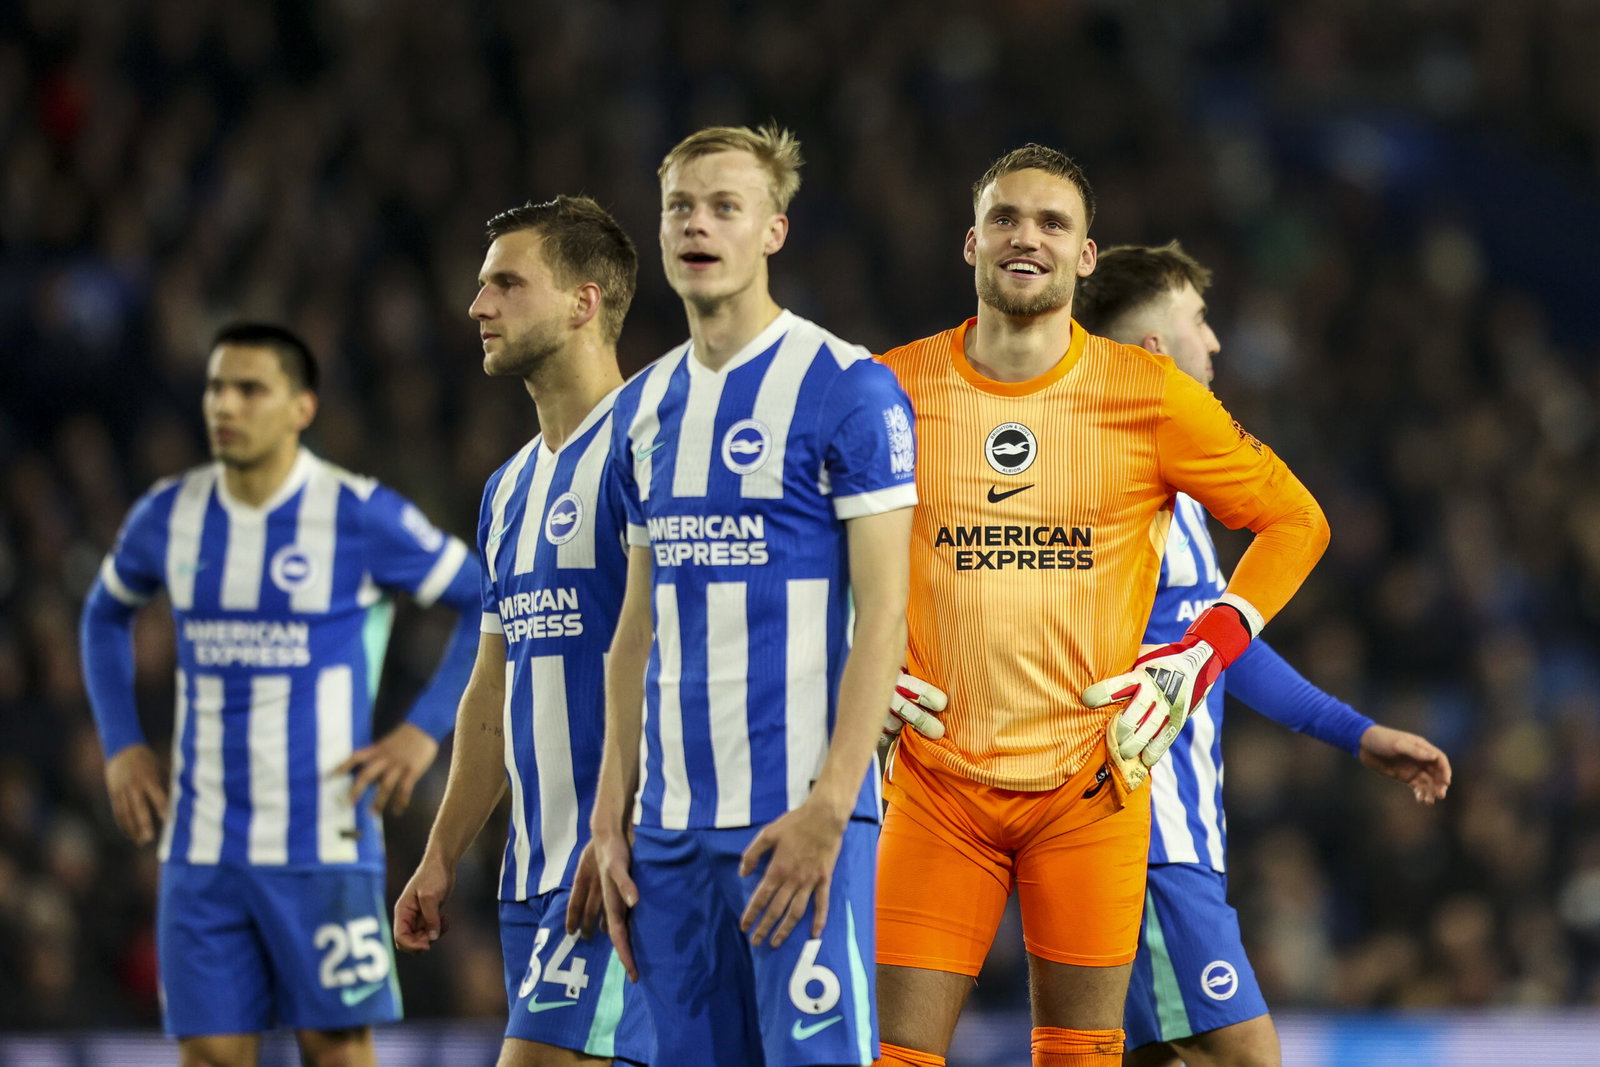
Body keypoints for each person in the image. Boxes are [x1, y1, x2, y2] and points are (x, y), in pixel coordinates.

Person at [872, 144, 1330, 1067]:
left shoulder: (1150, 398)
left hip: (1092, 783)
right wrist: (848, 664)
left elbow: (1296, 519)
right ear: (970, 243)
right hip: (935, 782)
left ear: (1086, 257)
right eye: (1005, 218)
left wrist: (1201, 652)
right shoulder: (885, 388)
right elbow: (802, 544)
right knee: (895, 1058)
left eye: (1052, 223)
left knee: (1083, 1056)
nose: (1025, 237)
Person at [579, 124, 917, 1066]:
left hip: (797, 820)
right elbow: (634, 630)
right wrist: (610, 820)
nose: (699, 224)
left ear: (773, 229)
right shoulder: (642, 408)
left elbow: (885, 618)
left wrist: (833, 806)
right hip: (669, 843)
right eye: (681, 206)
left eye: (725, 206)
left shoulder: (849, 388)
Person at [1072, 241, 1452, 1067]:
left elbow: (1221, 647)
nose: (1215, 342)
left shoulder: (1169, 488)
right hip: (1148, 828)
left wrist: (1355, 732)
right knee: (1244, 1056)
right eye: (1198, 323)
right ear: (1153, 354)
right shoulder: (1117, 482)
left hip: (1166, 834)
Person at [79, 322, 480, 1066]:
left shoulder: (358, 513)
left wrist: (424, 729)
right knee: (210, 1058)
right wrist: (122, 744)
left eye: (250, 389)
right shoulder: (170, 514)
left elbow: (483, 599)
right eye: (216, 387)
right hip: (201, 849)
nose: (225, 405)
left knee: (336, 1053)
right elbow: (105, 611)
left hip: (321, 846)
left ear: (301, 406)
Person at [391, 196, 653, 1065]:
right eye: (479, 286)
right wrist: (441, 854)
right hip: (531, 879)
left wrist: (626, 829)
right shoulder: (506, 490)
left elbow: (687, 656)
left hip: (623, 868)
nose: (478, 306)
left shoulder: (649, 446)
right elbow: (492, 689)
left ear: (584, 302)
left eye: (507, 283)